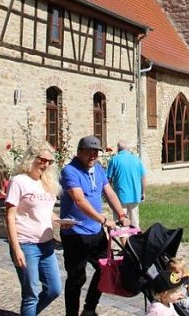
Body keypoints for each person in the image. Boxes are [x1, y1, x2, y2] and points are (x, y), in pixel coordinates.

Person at [59, 135, 131, 316]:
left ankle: (89, 308)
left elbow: (109, 192)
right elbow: (78, 199)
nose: (93, 156)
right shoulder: (70, 171)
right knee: (77, 278)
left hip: (95, 232)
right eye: (89, 152)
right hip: (75, 233)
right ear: (79, 152)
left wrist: (121, 214)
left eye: (96, 153)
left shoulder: (98, 169)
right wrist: (104, 220)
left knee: (104, 269)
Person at [5, 142, 63, 316]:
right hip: (26, 244)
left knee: (54, 289)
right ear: (31, 159)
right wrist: (16, 249)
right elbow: (9, 216)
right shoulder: (19, 181)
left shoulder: (47, 183)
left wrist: (60, 221)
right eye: (42, 160)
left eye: (49, 162)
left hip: (46, 244)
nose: (45, 165)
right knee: (30, 294)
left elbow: (45, 210)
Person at [105, 139, 147, 229]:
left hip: (120, 196)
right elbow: (143, 177)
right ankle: (135, 240)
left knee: (121, 223)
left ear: (118, 149)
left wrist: (107, 194)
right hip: (135, 195)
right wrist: (143, 193)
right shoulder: (136, 159)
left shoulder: (114, 160)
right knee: (135, 223)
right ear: (127, 149)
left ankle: (124, 242)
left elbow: (107, 179)